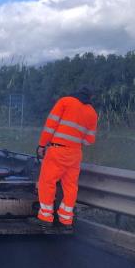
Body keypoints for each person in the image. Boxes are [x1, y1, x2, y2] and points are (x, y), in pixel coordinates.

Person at [36, 87, 98, 227]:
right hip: (75, 154)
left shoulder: (65, 101)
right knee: (70, 186)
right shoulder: (92, 113)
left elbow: (50, 126)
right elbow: (89, 141)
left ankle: (45, 217)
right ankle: (66, 218)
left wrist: (42, 145)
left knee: (47, 182)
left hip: (57, 150)